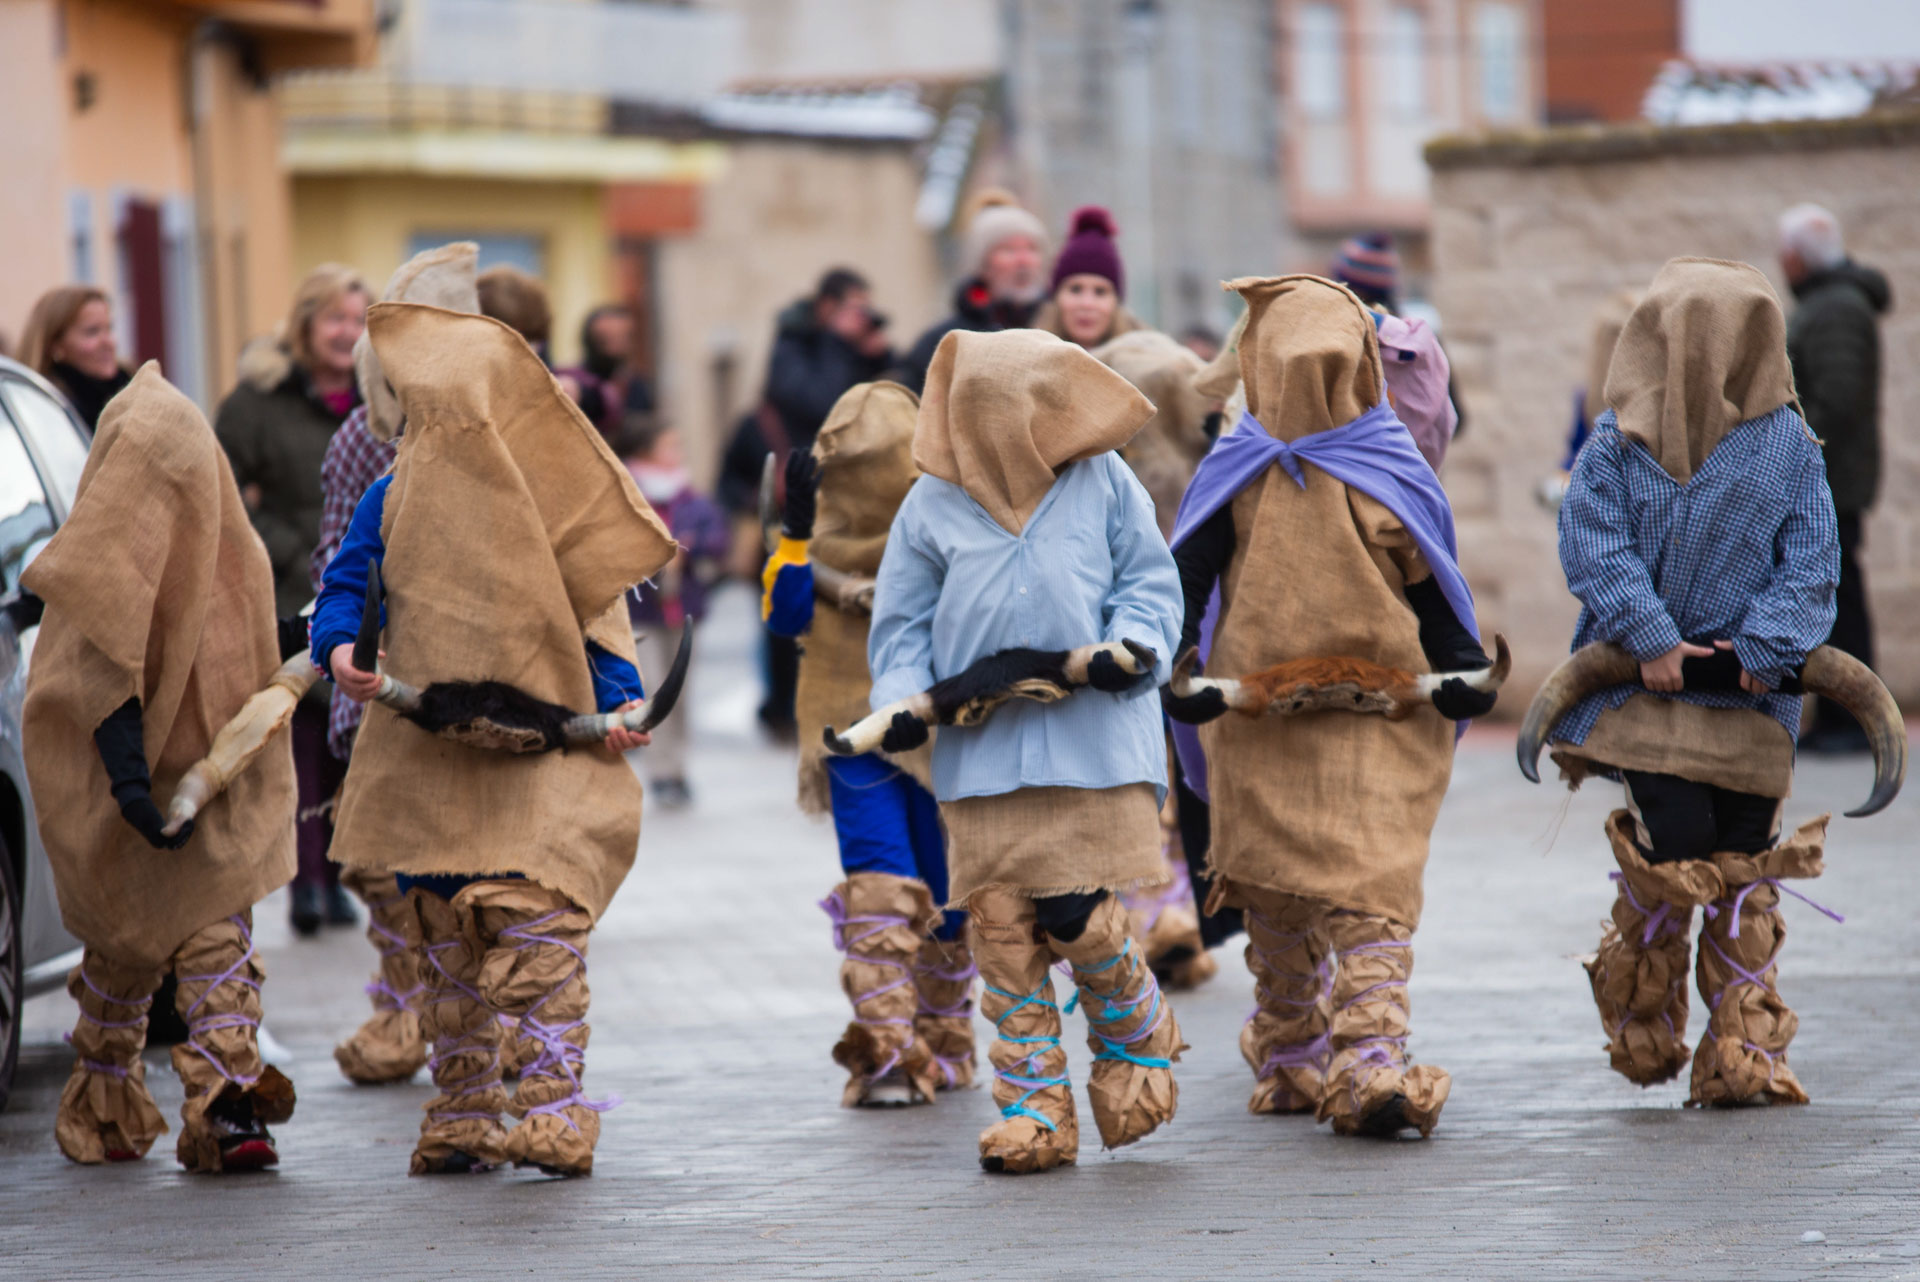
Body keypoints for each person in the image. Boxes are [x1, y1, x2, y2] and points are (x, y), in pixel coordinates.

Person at [310, 301, 675, 1176]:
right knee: (444, 946)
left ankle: (551, 1110)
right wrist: (338, 648)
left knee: (536, 933)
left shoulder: (545, 495)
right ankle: (465, 1109)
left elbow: (597, 608)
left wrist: (620, 702)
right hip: (426, 756)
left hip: (542, 752)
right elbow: (343, 584)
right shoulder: (389, 494)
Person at [1165, 275, 1494, 1140]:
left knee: (1370, 885)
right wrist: (1170, 660)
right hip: (1258, 713)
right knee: (1274, 892)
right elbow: (1186, 575)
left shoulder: (1388, 462)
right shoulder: (1234, 465)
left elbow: (1429, 582)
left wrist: (1459, 661)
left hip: (1378, 712)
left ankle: (1373, 1056)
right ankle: (1290, 1047)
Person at [867, 328, 1186, 1174]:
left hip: (1095, 743)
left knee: (1075, 916)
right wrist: (900, 699)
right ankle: (1034, 1112)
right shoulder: (928, 505)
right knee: (1002, 934)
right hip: (981, 755)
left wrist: (1133, 646)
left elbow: (1149, 584)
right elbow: (899, 626)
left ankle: (1136, 1038)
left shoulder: (1105, 480)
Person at [1546, 257, 1840, 1107]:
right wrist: (1648, 635)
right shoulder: (1616, 445)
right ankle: (1644, 1011)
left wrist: (1768, 644)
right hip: (1646, 694)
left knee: (1746, 861)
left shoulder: (1790, 444)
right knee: (1677, 844)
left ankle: (1745, 1047)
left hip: (1754, 695)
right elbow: (1593, 542)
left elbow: (1812, 557)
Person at [23, 364, 301, 1171]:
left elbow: (247, 635)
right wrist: (132, 788)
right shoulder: (101, 561)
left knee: (219, 955)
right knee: (119, 962)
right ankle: (105, 1097)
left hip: (215, 793)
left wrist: (318, 634)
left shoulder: (226, 547)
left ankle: (228, 1112)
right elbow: (98, 676)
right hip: (120, 805)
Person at [761, 382, 976, 1108]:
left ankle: (944, 1042)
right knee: (882, 882)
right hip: (850, 734)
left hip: (937, 730)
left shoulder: (950, 526)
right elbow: (784, 613)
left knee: (948, 895)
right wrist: (794, 530)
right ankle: (886, 1047)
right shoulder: (810, 535)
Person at [310, 241, 480, 1087]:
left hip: (499, 712)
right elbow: (340, 570)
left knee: (501, 900)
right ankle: (427, 1036)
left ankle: (482, 1050)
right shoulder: (370, 454)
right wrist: (341, 654)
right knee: (407, 891)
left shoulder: (518, 451)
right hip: (393, 702)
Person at [215, 262, 371, 937]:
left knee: (351, 738)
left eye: (361, 320)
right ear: (306, 324)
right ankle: (302, 882)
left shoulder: (382, 395)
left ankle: (338, 877)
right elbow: (219, 486)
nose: (348, 333)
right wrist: (276, 544)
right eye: (336, 318)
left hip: (363, 582)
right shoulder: (259, 400)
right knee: (301, 735)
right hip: (288, 586)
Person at [1093, 329, 1220, 991]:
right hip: (1145, 637)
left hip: (1171, 633)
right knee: (1156, 780)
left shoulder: (1193, 454)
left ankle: (1169, 915)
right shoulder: (1132, 462)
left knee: (1168, 778)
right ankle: (1162, 915)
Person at [1779, 204, 1891, 754]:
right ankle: (1839, 719)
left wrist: (1792, 450)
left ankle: (1850, 723)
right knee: (1834, 594)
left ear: (1796, 257)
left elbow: (1836, 402)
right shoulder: (1830, 304)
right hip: (1829, 477)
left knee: (1839, 599)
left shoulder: (1836, 309)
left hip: (1832, 481)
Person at [615, 412, 731, 808]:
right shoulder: (626, 493)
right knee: (650, 689)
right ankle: (660, 769)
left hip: (685, 612)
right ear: (648, 451)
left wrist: (691, 550)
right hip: (641, 613)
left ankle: (679, 766)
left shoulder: (689, 497)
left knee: (681, 692)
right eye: (671, 446)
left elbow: (717, 536)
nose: (678, 453)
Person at [892, 188, 1049, 393]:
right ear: (982, 264)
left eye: (1031, 249)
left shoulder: (1062, 325)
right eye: (1008, 250)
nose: (1023, 261)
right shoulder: (946, 341)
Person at [766, 267, 894, 455]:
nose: (862, 319)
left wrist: (880, 359)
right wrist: (838, 342)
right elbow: (824, 406)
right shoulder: (793, 347)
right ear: (827, 306)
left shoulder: (852, 349)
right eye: (855, 310)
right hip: (805, 460)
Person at [16, 285, 130, 428]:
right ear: (55, 344)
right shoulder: (44, 406)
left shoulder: (134, 389)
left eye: (109, 329)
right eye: (92, 331)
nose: (109, 342)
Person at [1032, 206, 1145, 350]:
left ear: (1116, 301)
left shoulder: (1151, 366)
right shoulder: (1027, 361)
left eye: (1100, 292)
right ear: (1056, 297)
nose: (1087, 304)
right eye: (1075, 289)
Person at [560, 303, 654, 436]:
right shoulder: (573, 381)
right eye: (606, 338)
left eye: (623, 337)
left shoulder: (637, 386)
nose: (616, 344)